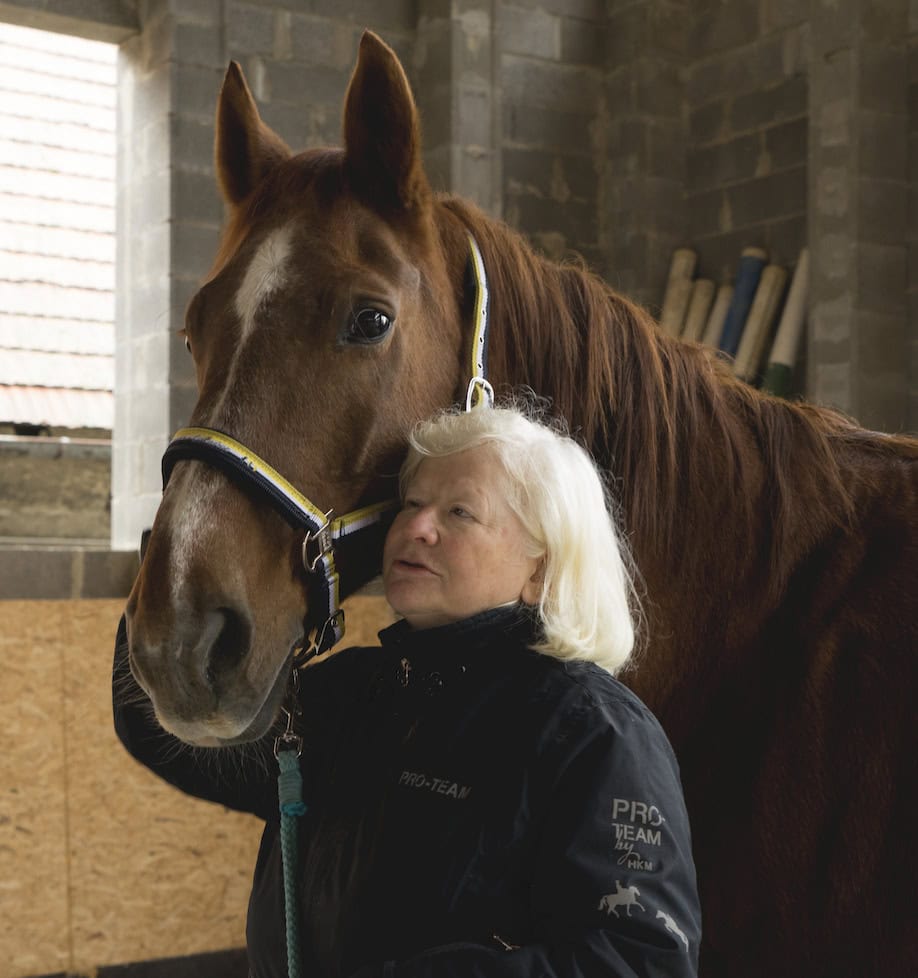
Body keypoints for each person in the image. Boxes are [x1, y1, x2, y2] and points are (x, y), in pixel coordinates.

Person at [113, 404, 701, 978]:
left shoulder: (595, 731)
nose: (417, 527)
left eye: (460, 513)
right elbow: (180, 737)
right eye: (413, 504)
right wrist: (180, 558)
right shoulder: (353, 690)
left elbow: (642, 959)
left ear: (539, 571)